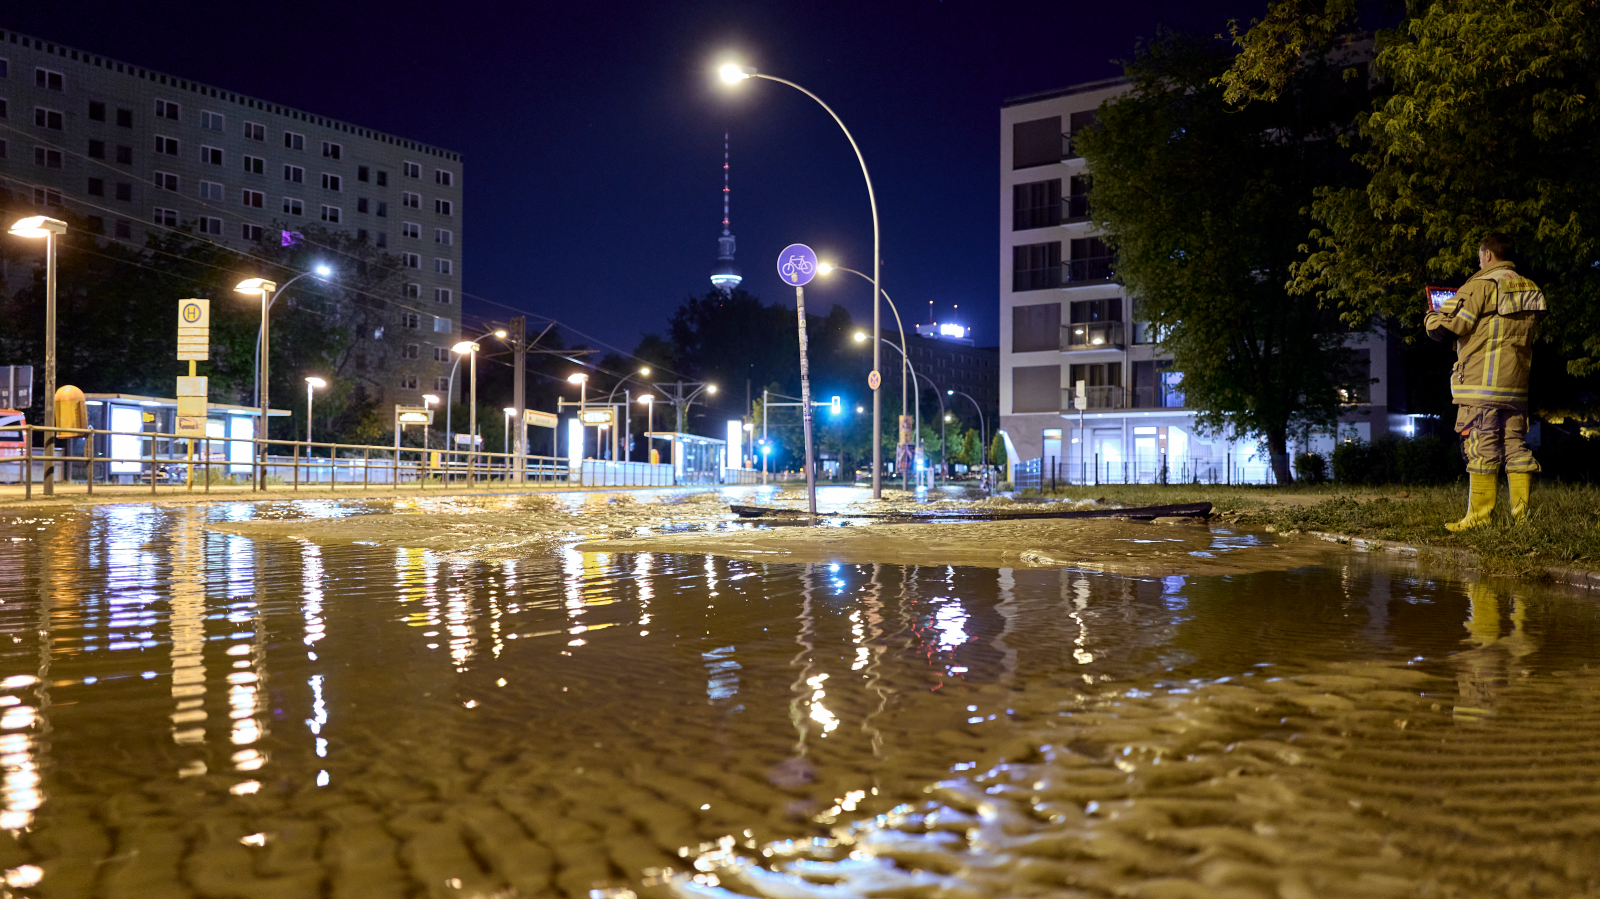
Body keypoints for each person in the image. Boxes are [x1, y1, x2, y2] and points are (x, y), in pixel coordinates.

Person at [1425, 233, 1547, 530]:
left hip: (1481, 385)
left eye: (1480, 256)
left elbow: (1452, 325)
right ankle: (1522, 520)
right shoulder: (1530, 288)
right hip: (1515, 386)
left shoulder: (1479, 285)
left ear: (1488, 255)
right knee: (1515, 447)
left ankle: (1479, 518)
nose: (1479, 261)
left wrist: (1431, 317)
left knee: (1480, 447)